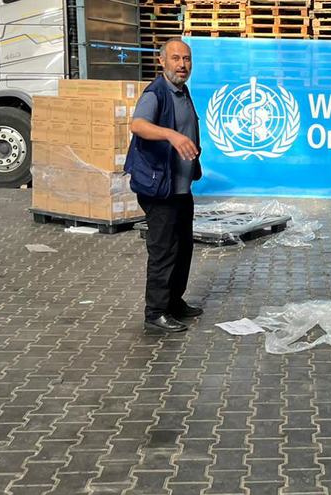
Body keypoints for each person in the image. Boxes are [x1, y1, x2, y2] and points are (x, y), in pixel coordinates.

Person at [125, 38, 205, 333]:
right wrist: (171, 135)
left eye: (186, 59)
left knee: (183, 247)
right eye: (175, 58)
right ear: (162, 61)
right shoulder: (156, 93)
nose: (182, 65)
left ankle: (174, 302)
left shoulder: (182, 91)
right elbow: (138, 125)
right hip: (160, 189)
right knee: (164, 250)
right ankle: (155, 312)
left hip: (181, 187)